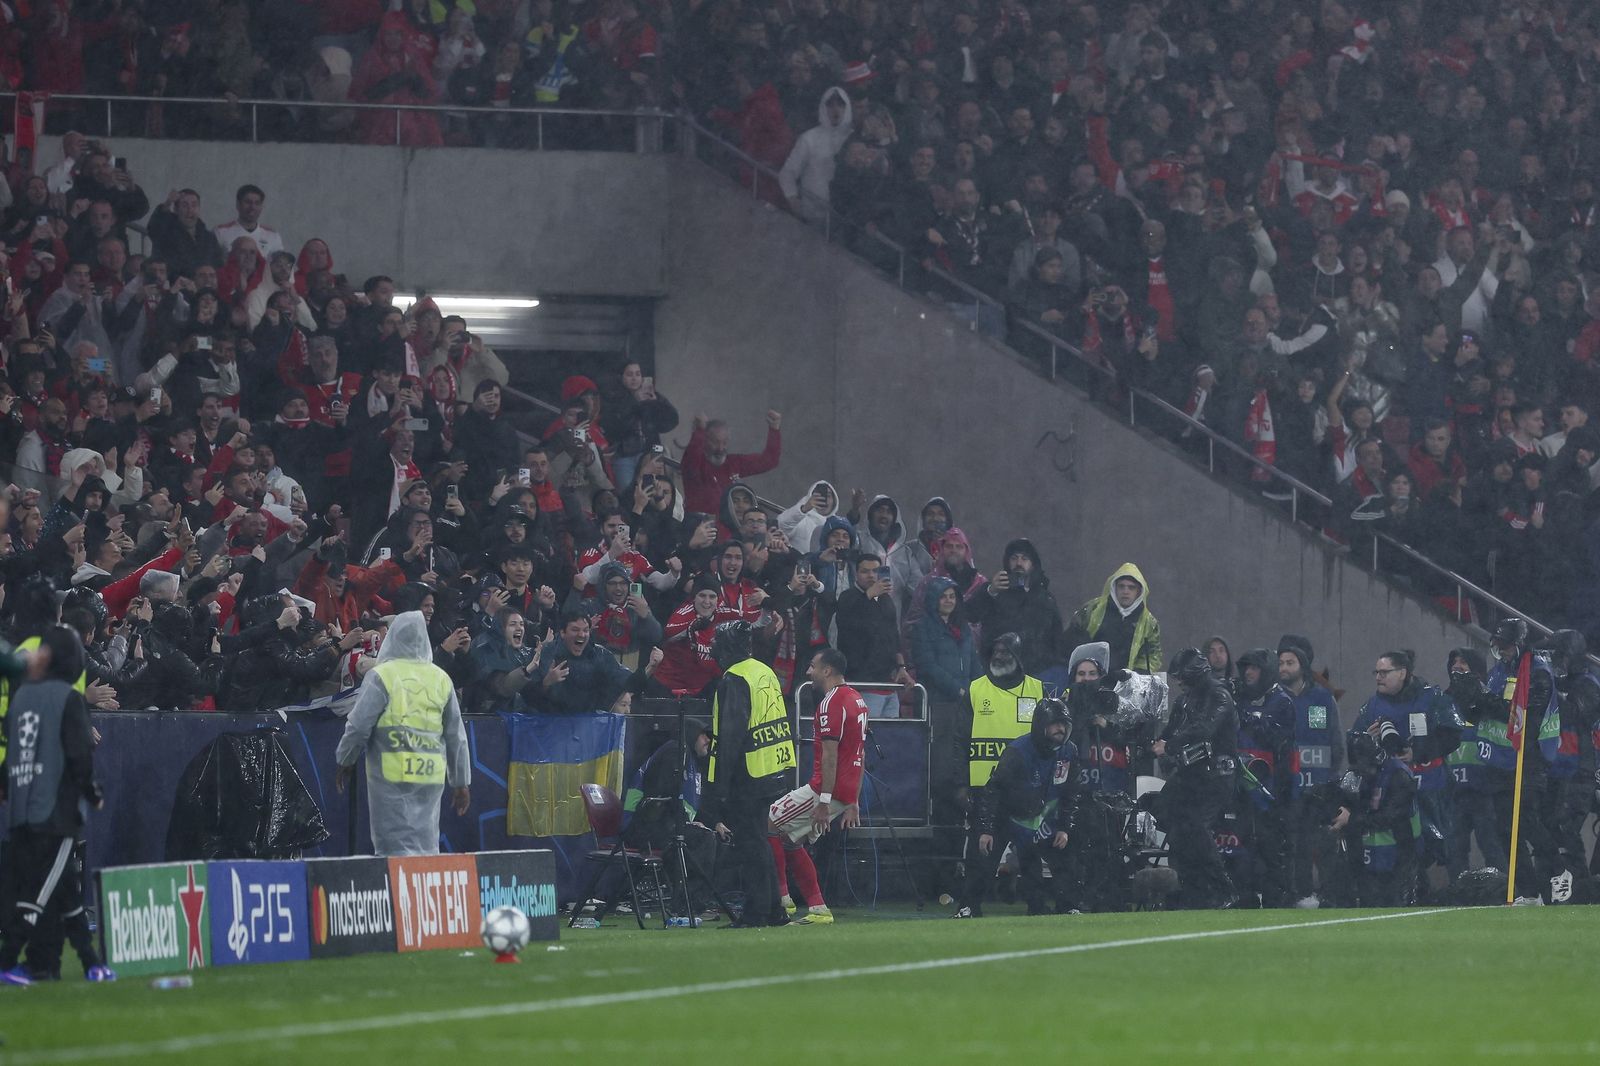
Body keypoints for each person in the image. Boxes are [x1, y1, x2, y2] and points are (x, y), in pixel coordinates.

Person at [0, 625, 114, 985]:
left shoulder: (20, 699)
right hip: (56, 813)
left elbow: (11, 753)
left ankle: (91, 962)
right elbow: (79, 754)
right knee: (39, 894)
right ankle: (5, 962)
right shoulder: (68, 698)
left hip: (21, 811)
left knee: (64, 891)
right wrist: (92, 792)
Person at [334, 611, 470, 856]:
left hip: (391, 774)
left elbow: (359, 725)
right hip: (430, 773)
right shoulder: (440, 678)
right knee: (427, 847)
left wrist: (346, 759)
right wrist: (460, 782)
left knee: (392, 850)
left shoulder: (381, 675)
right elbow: (455, 736)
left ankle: (398, 894)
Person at [698, 621, 795, 928]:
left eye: (716, 644)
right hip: (773, 767)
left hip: (748, 773)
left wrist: (718, 788)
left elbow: (729, 738)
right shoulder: (762, 671)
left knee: (751, 844)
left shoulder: (734, 678)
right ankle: (773, 910)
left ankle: (757, 913)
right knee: (759, 841)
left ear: (727, 648)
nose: (713, 650)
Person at [953, 697, 1081, 917]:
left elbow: (1071, 791)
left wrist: (1065, 827)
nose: (1060, 729)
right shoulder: (1017, 752)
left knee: (1060, 862)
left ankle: (1063, 907)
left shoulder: (1069, 751)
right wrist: (986, 829)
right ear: (1041, 726)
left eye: (1064, 724)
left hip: (1041, 816)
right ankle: (968, 908)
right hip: (1006, 815)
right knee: (983, 865)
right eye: (1054, 724)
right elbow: (993, 790)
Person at [766, 647, 866, 925]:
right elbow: (860, 752)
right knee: (789, 839)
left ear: (827, 670)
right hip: (844, 790)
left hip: (826, 789)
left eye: (812, 666)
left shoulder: (830, 703)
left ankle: (781, 901)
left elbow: (831, 755)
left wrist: (823, 800)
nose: (808, 671)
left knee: (769, 822)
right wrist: (853, 801)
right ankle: (818, 908)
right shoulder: (857, 700)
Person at [1352, 649, 1464, 893]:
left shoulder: (1432, 698)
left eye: (1384, 672)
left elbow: (1453, 735)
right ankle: (1412, 892)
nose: (1378, 677)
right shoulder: (1372, 705)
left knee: (1441, 844)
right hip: (1392, 794)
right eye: (1376, 672)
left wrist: (1418, 753)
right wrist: (1366, 739)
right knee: (1405, 848)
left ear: (1402, 673)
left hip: (1432, 788)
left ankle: (1460, 893)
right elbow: (1354, 745)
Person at [1154, 648, 1239, 909]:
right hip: (1190, 774)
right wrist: (1158, 743)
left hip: (1216, 775)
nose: (1178, 682)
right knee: (1173, 822)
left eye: (1182, 677)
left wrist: (1168, 746)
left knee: (1198, 827)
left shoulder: (1219, 695)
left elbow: (1204, 728)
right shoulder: (1184, 701)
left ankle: (1223, 887)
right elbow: (1168, 732)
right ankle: (1190, 887)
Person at [1275, 636, 1345, 908]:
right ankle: (1299, 895)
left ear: (1302, 666)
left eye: (1289, 662)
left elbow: (1336, 745)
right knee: (1295, 846)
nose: (1283, 668)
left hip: (1319, 789)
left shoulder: (1323, 698)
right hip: (1288, 790)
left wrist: (1330, 783)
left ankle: (1330, 896)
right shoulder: (1276, 699)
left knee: (1325, 844)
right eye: (1280, 662)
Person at [1232, 647, 1295, 907]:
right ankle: (1243, 896)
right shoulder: (1240, 699)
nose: (1248, 673)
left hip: (1271, 788)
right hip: (1241, 785)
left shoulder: (1283, 702)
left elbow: (1271, 734)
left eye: (1254, 667)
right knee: (1241, 843)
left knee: (1271, 846)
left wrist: (1243, 714)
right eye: (1246, 667)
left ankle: (1276, 900)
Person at [1334, 722, 1420, 907]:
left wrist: (1351, 819)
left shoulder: (1399, 776)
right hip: (1372, 853)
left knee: (1394, 902)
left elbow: (1390, 816)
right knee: (1369, 902)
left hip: (1400, 851)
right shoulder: (1361, 774)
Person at [965, 538, 1063, 675]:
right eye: (1014, 558)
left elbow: (1056, 638)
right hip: (999, 670)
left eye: (1024, 558)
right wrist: (990, 591)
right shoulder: (995, 591)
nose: (1018, 563)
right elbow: (970, 614)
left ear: (1033, 564)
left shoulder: (1045, 598)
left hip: (1037, 674)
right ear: (1007, 562)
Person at [1062, 562, 1162, 674]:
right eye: (1121, 586)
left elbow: (1153, 654)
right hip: (1091, 677)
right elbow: (1071, 636)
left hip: (1125, 682)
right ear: (1114, 587)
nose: (1126, 591)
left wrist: (1138, 673)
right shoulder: (1093, 609)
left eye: (1131, 588)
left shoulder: (1148, 623)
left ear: (1139, 591)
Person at [680, 411, 782, 516]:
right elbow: (693, 453)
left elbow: (769, 461)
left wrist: (774, 429)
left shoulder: (733, 462)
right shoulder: (693, 463)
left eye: (724, 442)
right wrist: (699, 430)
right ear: (704, 440)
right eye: (715, 442)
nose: (720, 448)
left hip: (730, 528)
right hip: (700, 527)